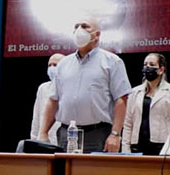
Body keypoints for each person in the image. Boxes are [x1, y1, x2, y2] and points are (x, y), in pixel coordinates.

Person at [39, 19, 131, 152]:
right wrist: (43, 132)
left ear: (97, 35)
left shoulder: (112, 62)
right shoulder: (63, 64)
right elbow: (53, 100)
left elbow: (121, 99)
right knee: (64, 172)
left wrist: (115, 134)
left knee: (94, 172)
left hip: (97, 134)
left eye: (85, 26)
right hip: (67, 134)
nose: (79, 30)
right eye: (76, 26)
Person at [121, 53, 170, 155]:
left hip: (162, 146)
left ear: (161, 70)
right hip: (137, 146)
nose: (147, 67)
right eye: (145, 64)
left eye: (151, 64)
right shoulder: (134, 92)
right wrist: (125, 149)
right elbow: (128, 123)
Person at [30, 53, 63, 145]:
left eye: (55, 65)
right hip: (44, 139)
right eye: (50, 65)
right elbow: (37, 116)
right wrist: (34, 139)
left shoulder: (71, 88)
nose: (52, 68)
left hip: (64, 139)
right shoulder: (43, 88)